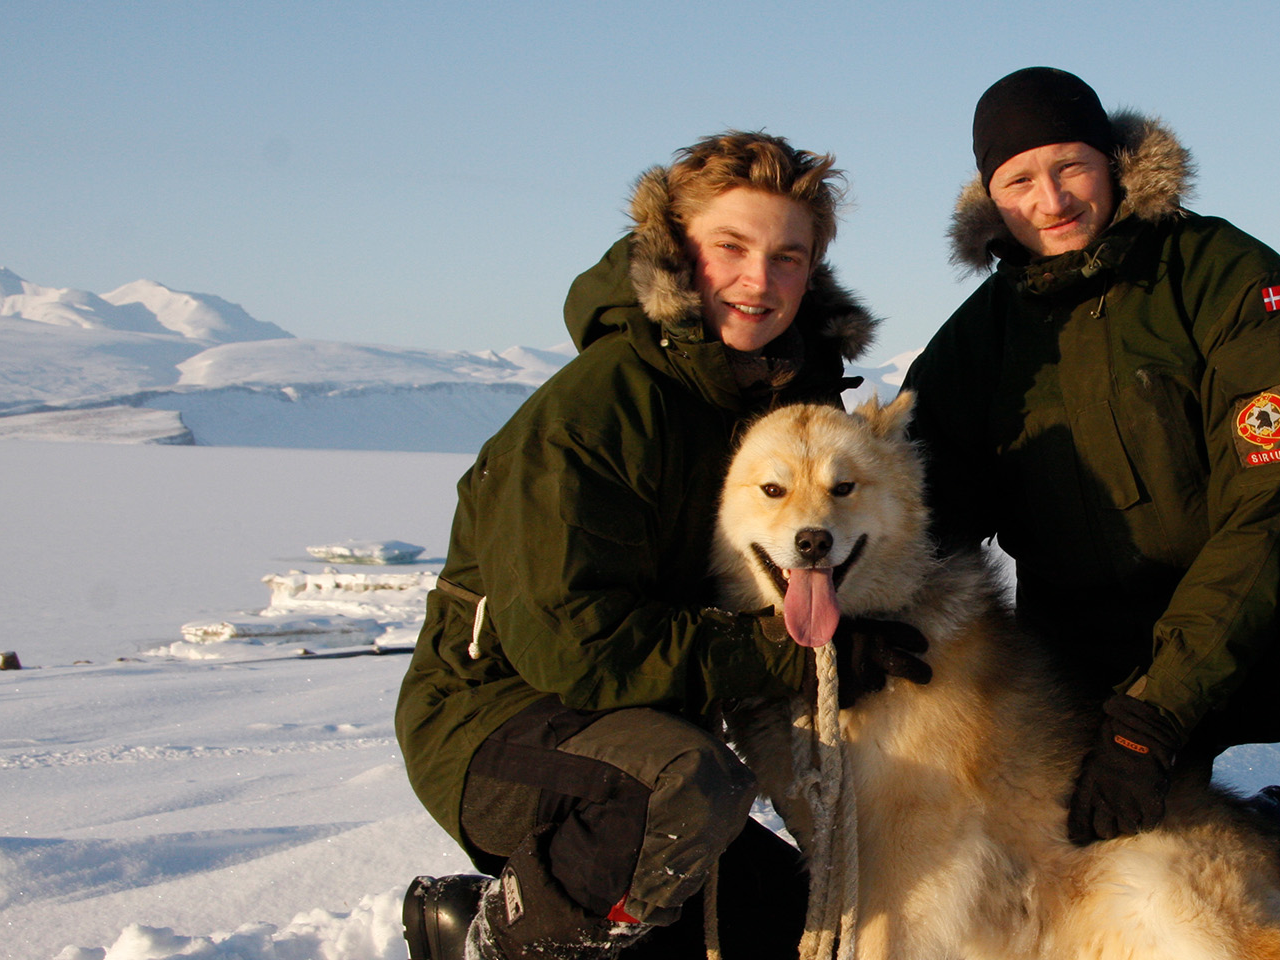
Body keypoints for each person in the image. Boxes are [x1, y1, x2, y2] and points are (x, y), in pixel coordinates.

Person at [901, 67, 1280, 923]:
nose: (1051, 199)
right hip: (1087, 669)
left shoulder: (1229, 278)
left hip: (1260, 633)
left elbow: (1275, 509)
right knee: (1094, 887)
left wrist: (1154, 716)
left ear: (1116, 162)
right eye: (1019, 179)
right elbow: (918, 523)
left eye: (1070, 166)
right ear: (989, 200)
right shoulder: (975, 346)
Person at [395, 131, 928, 960]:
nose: (760, 280)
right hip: (502, 724)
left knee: (792, 923)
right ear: (675, 253)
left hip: (650, 728)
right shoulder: (594, 414)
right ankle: (490, 937)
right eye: (731, 247)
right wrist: (788, 654)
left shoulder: (774, 400)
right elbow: (573, 647)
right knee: (685, 790)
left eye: (788, 257)